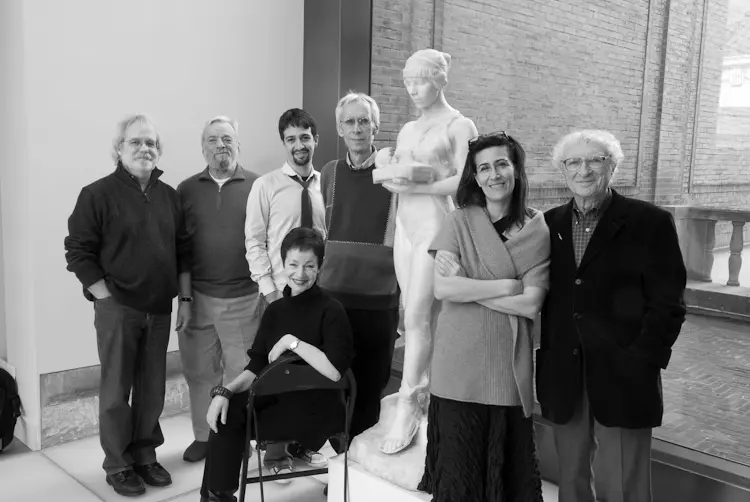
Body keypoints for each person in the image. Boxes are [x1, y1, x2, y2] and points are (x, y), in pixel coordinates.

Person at [537, 130, 687, 502]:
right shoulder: (547, 224)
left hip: (625, 371)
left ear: (613, 167)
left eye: (595, 160)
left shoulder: (650, 222)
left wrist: (642, 359)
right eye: (573, 161)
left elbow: (668, 304)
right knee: (570, 481)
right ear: (563, 170)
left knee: (623, 484)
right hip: (565, 371)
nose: (583, 170)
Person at [64, 114, 191, 497]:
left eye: (151, 143)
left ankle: (145, 455)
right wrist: (105, 296)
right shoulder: (96, 194)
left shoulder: (169, 196)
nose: (144, 149)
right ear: (119, 148)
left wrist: (184, 299)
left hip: (159, 309)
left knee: (152, 389)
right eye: (135, 142)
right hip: (118, 309)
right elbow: (78, 251)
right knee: (117, 390)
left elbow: (184, 251)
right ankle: (118, 464)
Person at [417, 132, 548, 501]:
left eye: (502, 164)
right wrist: (507, 286)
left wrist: (469, 284)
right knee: (458, 479)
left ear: (517, 169)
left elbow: (531, 304)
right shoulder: (458, 222)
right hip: (456, 366)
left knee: (506, 482)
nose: (494, 175)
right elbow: (444, 290)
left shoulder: (538, 231)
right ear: (474, 176)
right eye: (484, 168)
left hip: (506, 368)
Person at [199, 227, 354, 502]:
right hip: (276, 409)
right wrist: (226, 392)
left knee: (232, 414)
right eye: (293, 265)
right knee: (225, 412)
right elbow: (256, 365)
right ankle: (218, 496)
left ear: (320, 267)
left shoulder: (332, 310)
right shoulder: (275, 311)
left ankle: (215, 496)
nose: (300, 274)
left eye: (309, 266)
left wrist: (292, 342)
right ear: (283, 265)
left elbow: (333, 370)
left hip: (318, 412)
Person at [374, 48, 478, 454]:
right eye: (408, 82)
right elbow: (394, 173)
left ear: (440, 80)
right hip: (405, 226)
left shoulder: (459, 124)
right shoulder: (406, 129)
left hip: (436, 224)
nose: (414, 89)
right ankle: (430, 392)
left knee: (418, 313)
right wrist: (386, 164)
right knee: (413, 316)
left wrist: (415, 185)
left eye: (421, 80)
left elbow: (467, 182)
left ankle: (410, 401)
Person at [177, 116, 261, 462]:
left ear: (238, 144)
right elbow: (179, 247)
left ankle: (235, 439)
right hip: (197, 299)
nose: (219, 146)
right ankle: (203, 436)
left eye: (226, 139)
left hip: (243, 298)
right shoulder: (186, 189)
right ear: (202, 147)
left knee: (240, 375)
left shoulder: (258, 185)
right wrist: (183, 297)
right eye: (212, 140)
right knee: (199, 371)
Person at [319, 92, 400, 440]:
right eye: (349, 121)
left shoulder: (393, 177)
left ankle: (360, 466)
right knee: (332, 382)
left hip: (379, 300)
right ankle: (339, 468)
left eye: (363, 120)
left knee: (370, 386)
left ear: (376, 126)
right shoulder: (330, 173)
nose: (357, 128)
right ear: (339, 128)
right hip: (333, 298)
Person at [245, 108, 326, 308]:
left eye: (305, 137)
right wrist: (271, 293)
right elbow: (254, 241)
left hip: (321, 293)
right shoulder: (265, 185)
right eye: (291, 139)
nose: (299, 145)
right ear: (284, 143)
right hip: (280, 293)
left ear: (316, 139)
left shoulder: (327, 185)